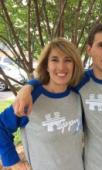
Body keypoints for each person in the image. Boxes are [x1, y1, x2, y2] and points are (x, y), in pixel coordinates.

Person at [13, 23, 102, 170]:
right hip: (92, 163)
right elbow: (53, 78)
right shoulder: (79, 82)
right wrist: (28, 87)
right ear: (89, 49)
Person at [0, 38, 84, 170]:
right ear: (46, 65)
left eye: (68, 60)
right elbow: (2, 126)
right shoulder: (31, 98)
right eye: (55, 60)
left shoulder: (78, 95)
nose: (61, 67)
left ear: (74, 65)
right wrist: (14, 162)